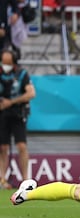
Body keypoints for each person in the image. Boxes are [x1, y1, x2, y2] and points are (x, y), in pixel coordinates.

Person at [0, 49, 35, 189]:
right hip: (2, 114)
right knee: (3, 147)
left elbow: (31, 93)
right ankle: (2, 180)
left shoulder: (22, 74)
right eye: (4, 62)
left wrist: (12, 102)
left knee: (22, 146)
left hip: (18, 113)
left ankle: (25, 179)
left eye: (8, 63)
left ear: (13, 62)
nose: (5, 65)